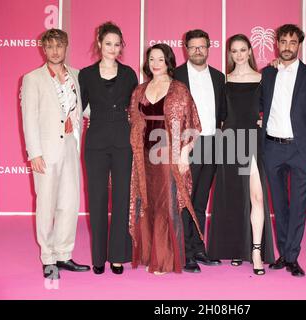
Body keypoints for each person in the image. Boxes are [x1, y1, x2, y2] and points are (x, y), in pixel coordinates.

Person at [21, 28, 90, 279]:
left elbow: (88, 108)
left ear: (66, 46)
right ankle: (48, 258)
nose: (54, 51)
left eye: (59, 45)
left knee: (69, 204)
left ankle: (63, 254)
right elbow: (28, 118)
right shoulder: (32, 79)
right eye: (49, 46)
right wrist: (34, 153)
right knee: (47, 205)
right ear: (43, 48)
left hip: (71, 147)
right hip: (46, 153)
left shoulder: (77, 75)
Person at [129, 43, 202, 275]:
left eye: (160, 59)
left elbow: (194, 126)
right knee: (146, 205)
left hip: (168, 158)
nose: (155, 64)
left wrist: (184, 154)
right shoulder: (140, 90)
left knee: (166, 207)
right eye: (152, 59)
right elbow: (134, 122)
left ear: (168, 62)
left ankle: (165, 260)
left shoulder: (179, 89)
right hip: (144, 158)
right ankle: (149, 254)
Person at [262, 24, 306, 277]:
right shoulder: (267, 73)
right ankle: (283, 253)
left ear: (299, 45)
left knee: (299, 205)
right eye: (283, 42)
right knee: (279, 204)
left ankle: (292, 256)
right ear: (277, 44)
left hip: (301, 149)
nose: (287, 47)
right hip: (272, 147)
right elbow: (256, 105)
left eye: (293, 42)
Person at [207, 34, 275, 275]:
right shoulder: (224, 81)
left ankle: (256, 251)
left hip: (253, 141)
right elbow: (220, 115)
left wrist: (262, 122)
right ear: (230, 54)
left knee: (256, 197)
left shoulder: (263, 78)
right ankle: (237, 248)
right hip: (231, 142)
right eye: (233, 50)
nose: (238, 54)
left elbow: (272, 109)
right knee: (235, 198)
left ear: (250, 51)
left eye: (242, 49)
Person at [78, 22, 138, 275]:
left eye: (117, 44)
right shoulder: (86, 74)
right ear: (99, 43)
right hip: (96, 143)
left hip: (123, 142)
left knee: (123, 198)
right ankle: (99, 257)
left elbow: (136, 108)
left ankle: (117, 255)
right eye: (108, 43)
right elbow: (78, 107)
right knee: (98, 198)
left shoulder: (129, 74)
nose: (113, 48)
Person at [174, 29, 225, 272]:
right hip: (187, 145)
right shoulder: (176, 76)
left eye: (201, 47)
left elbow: (222, 112)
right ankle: (185, 252)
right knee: (185, 200)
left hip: (212, 143)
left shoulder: (218, 76)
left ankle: (198, 247)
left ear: (208, 48)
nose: (197, 51)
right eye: (193, 47)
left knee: (201, 199)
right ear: (185, 48)